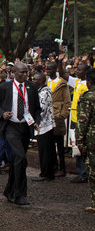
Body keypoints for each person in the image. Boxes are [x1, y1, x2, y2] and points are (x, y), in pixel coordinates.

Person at [0, 62, 40, 206]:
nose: (25, 75)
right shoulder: (4, 87)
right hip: (11, 127)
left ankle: (9, 191)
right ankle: (19, 194)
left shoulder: (32, 87)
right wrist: (2, 114)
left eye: (26, 72)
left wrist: (36, 121)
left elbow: (36, 108)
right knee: (20, 157)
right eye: (21, 72)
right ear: (14, 73)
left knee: (17, 161)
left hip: (25, 127)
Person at [58, 52, 90, 183]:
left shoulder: (89, 84)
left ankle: (85, 173)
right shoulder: (76, 81)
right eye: (77, 69)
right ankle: (81, 172)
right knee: (76, 147)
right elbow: (62, 74)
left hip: (85, 121)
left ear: (86, 72)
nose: (76, 71)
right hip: (75, 119)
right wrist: (60, 62)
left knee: (85, 147)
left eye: (80, 70)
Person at [45, 61, 71, 177]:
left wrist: (62, 115)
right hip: (47, 116)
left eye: (50, 69)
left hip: (57, 115)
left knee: (60, 145)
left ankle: (62, 168)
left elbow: (67, 101)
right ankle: (53, 166)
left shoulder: (62, 83)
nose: (47, 71)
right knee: (49, 143)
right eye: (46, 69)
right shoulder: (46, 81)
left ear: (55, 69)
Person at [76, 68, 95, 212]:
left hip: (92, 141)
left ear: (88, 81)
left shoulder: (87, 97)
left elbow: (83, 121)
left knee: (93, 172)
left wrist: (80, 140)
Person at [32, 72, 56, 181]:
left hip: (44, 125)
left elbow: (41, 109)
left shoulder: (44, 92)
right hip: (44, 125)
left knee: (45, 151)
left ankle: (46, 174)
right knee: (45, 150)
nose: (33, 81)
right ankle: (47, 173)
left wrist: (32, 120)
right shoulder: (41, 91)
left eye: (35, 79)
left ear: (41, 81)